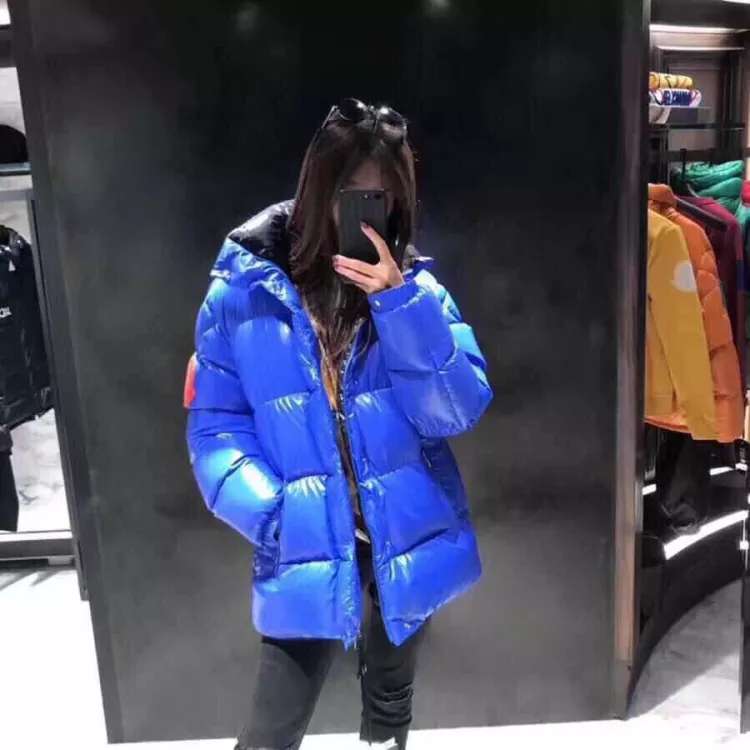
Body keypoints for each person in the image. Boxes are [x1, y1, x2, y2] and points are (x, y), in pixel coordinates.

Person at [184, 97, 493, 750]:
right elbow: (216, 430)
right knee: (271, 730)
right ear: (317, 187)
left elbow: (457, 410)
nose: (369, 213)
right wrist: (275, 515)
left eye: (384, 198)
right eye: (354, 196)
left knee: (390, 703)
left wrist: (399, 305)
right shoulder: (243, 294)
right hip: (307, 535)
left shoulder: (419, 295)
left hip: (402, 532)